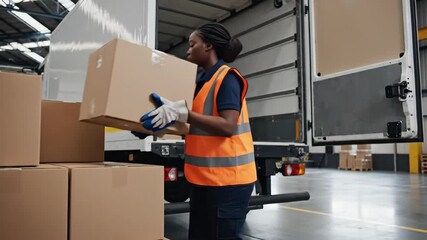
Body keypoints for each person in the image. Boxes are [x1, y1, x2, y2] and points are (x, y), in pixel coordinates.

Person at [140, 22, 257, 240]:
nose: (187, 50)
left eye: (192, 44)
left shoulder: (227, 78)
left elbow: (228, 126)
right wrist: (158, 126)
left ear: (208, 46)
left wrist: (182, 113)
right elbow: (196, 127)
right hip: (204, 181)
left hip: (229, 183)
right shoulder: (202, 82)